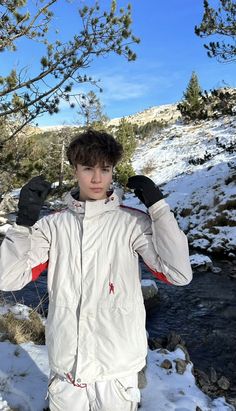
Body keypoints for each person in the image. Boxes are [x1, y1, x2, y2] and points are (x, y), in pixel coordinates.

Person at [0, 129, 192, 411]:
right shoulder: (53, 226)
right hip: (68, 369)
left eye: (105, 169)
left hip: (117, 369)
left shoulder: (132, 223)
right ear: (75, 170)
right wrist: (23, 225)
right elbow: (9, 278)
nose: (97, 178)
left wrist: (160, 210)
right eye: (88, 168)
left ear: (113, 170)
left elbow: (178, 273)